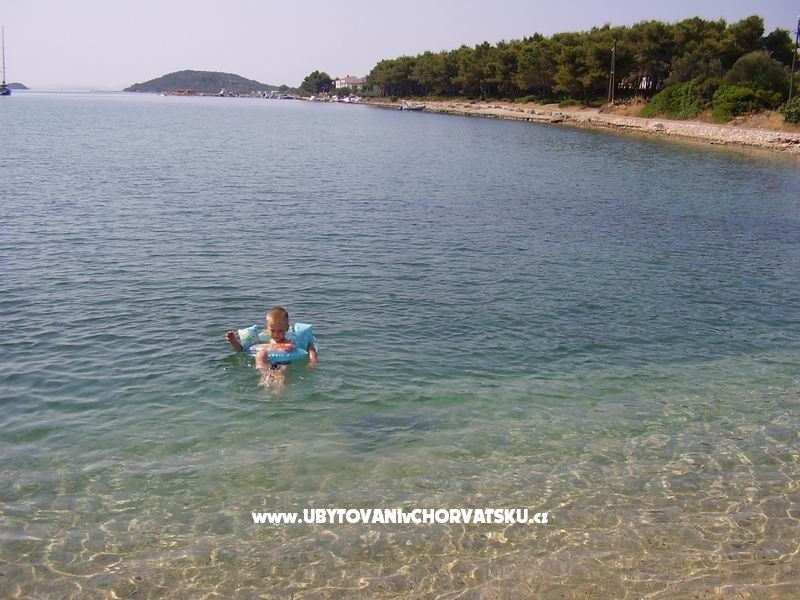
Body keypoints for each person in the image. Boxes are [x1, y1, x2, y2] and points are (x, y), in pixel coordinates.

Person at [226, 307, 318, 376]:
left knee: (281, 375)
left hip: (284, 362)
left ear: (287, 328)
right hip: (267, 363)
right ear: (267, 328)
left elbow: (310, 346)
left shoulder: (290, 342)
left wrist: (312, 360)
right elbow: (242, 350)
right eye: (273, 331)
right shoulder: (264, 340)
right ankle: (265, 375)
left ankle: (279, 392)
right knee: (260, 354)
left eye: (280, 331)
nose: (276, 334)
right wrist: (233, 341)